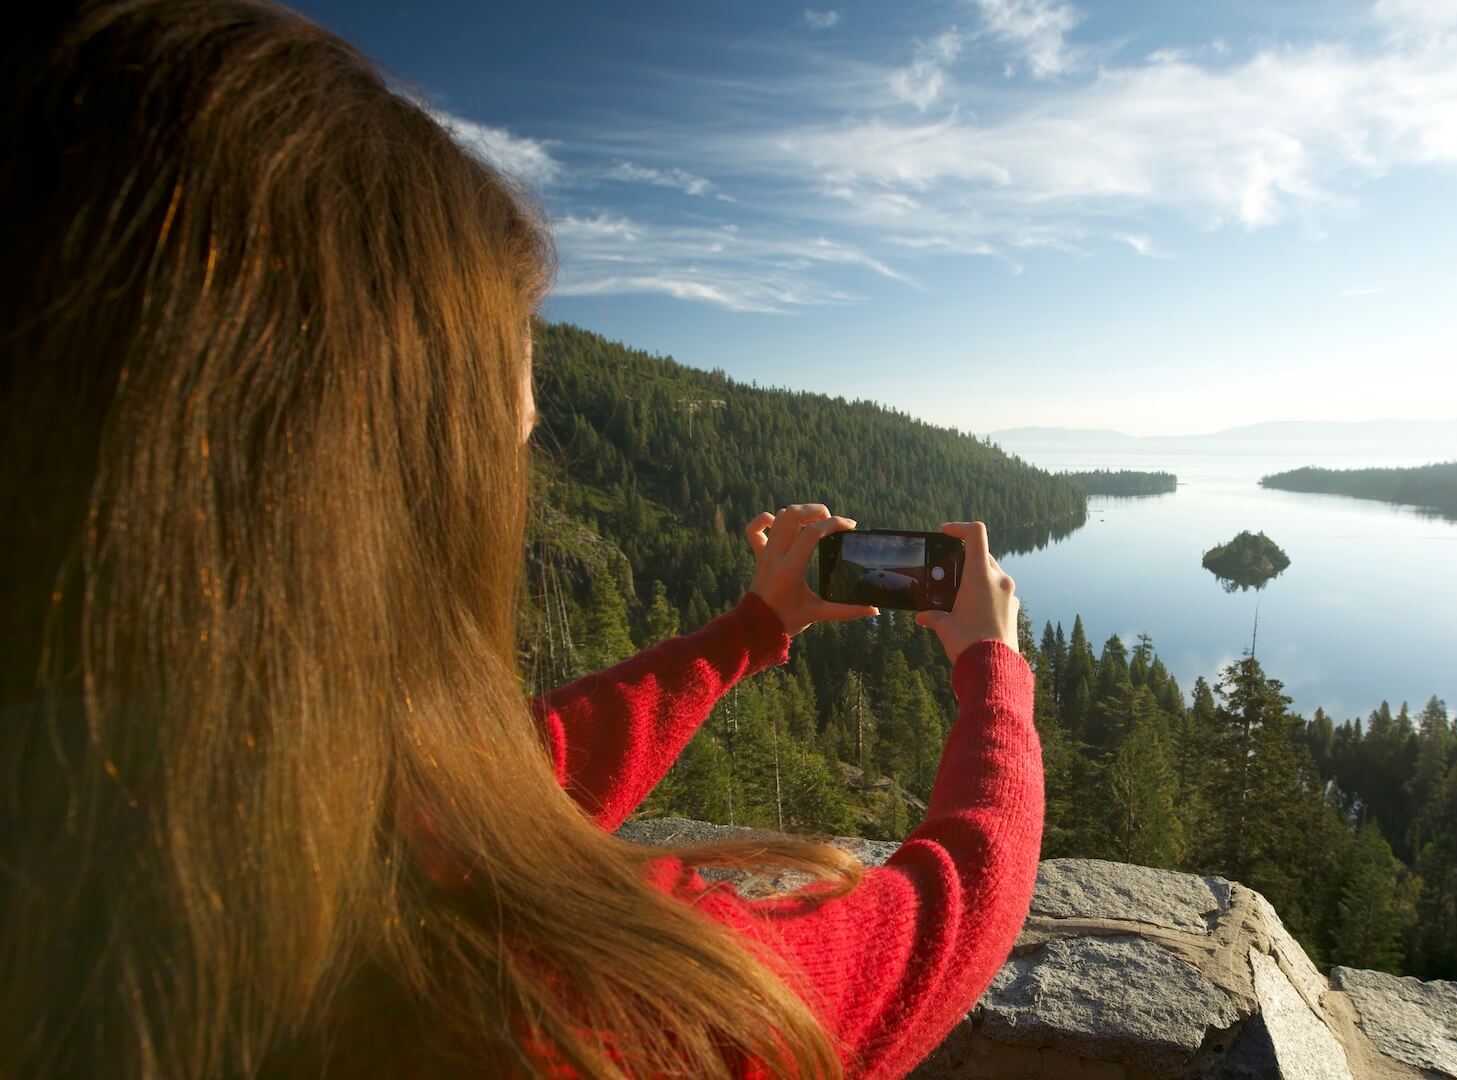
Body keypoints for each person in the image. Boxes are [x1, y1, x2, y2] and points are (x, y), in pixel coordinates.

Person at [0, 2, 1043, 1078]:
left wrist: (753, 629)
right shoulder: (543, 1004)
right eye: (511, 446)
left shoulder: (121, 820)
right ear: (363, 487)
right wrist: (991, 672)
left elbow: (492, 784)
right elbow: (936, 924)